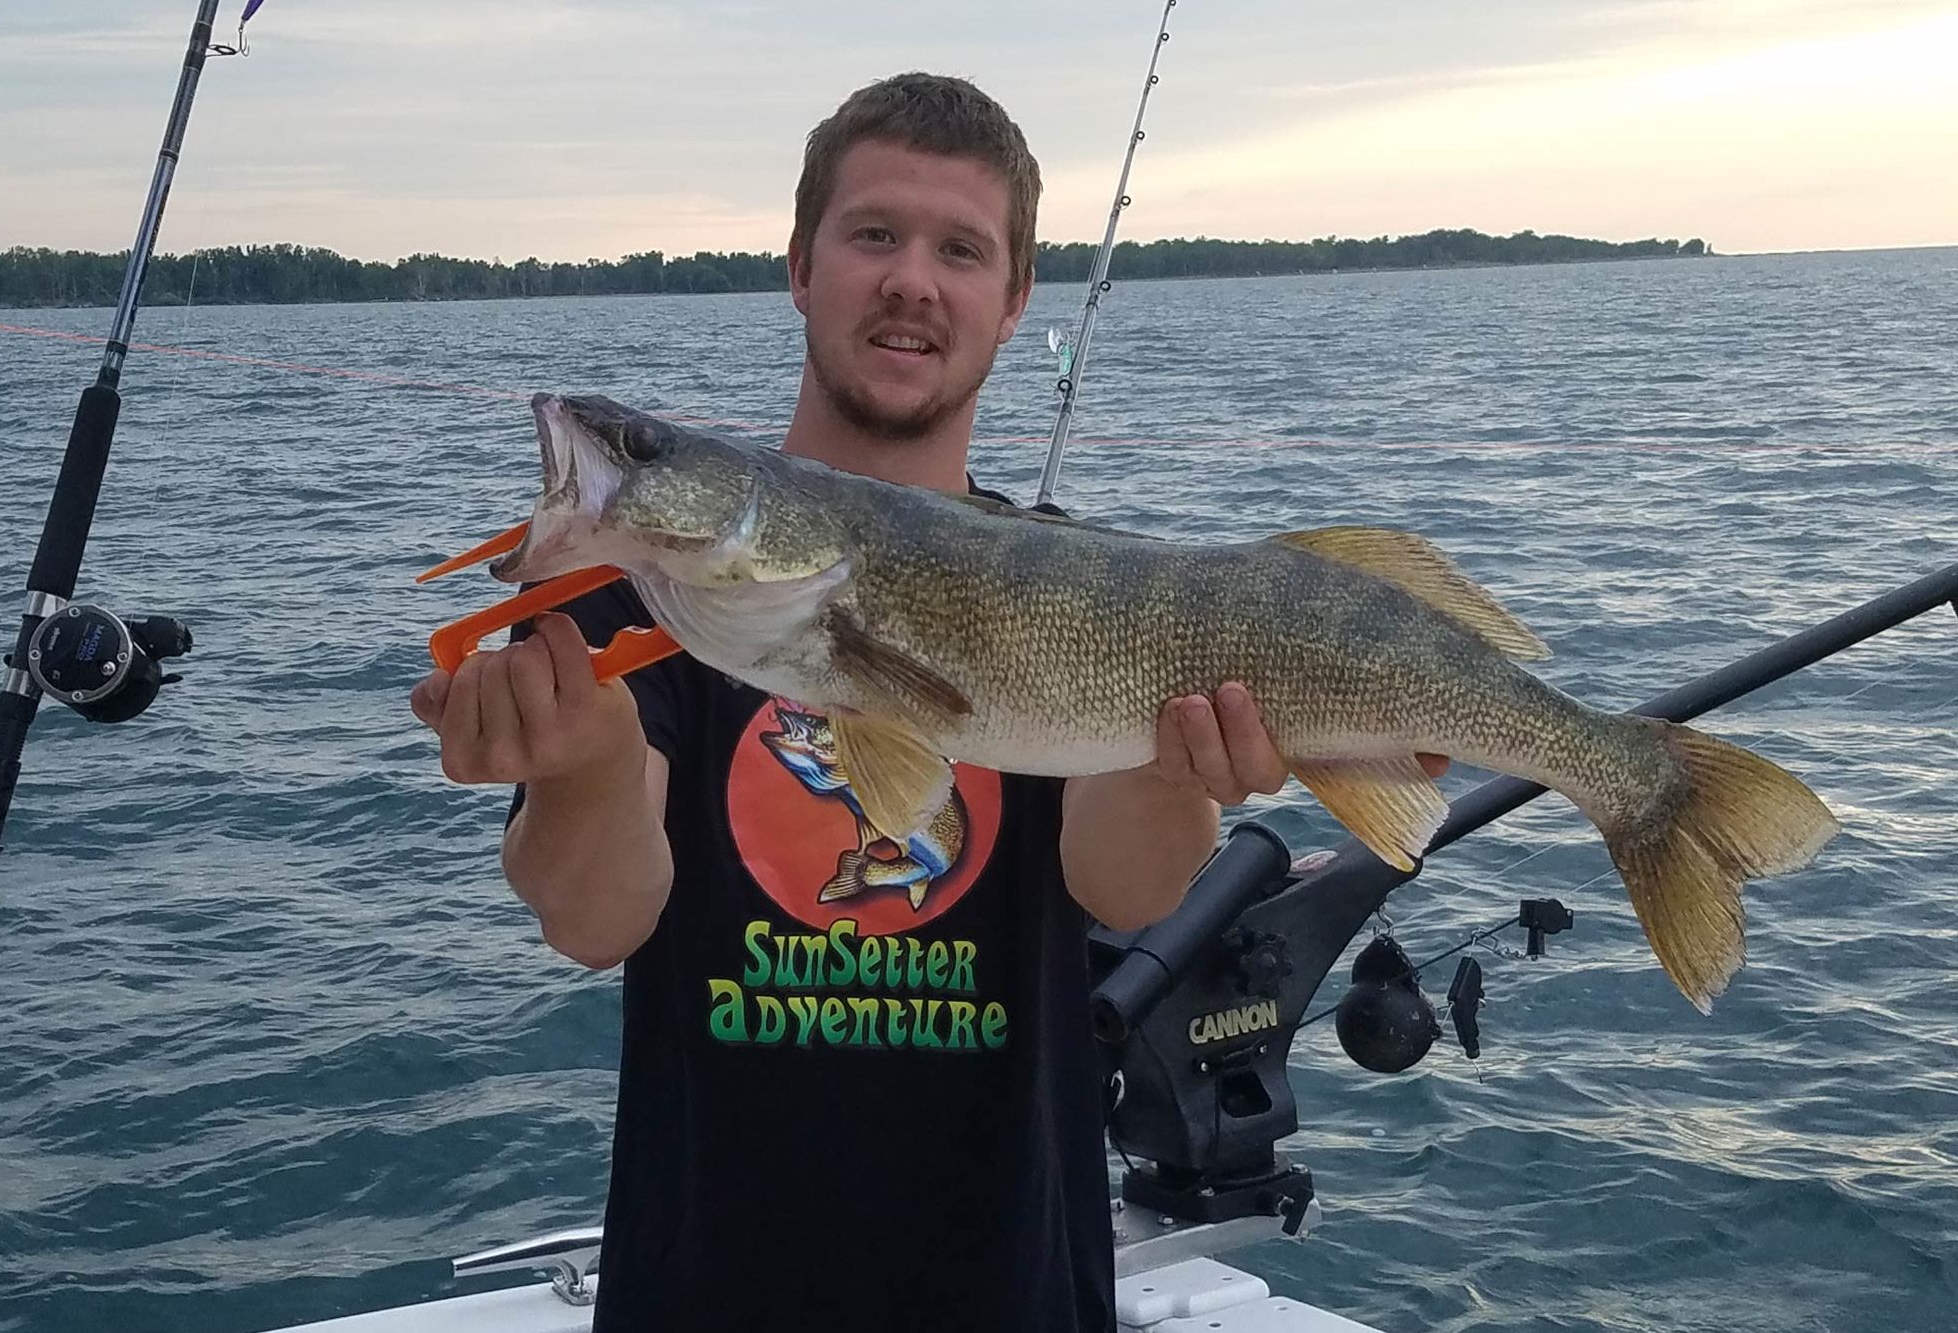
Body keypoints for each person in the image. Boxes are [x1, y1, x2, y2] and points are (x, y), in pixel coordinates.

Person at [411, 72, 1441, 1332]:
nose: (912, 279)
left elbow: (1123, 889)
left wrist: (1185, 762)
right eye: (873, 235)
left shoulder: (1069, 575)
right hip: (705, 1287)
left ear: (1011, 304)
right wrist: (577, 764)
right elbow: (590, 916)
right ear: (799, 265)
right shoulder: (626, 602)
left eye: (960, 250)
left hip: (1013, 1282)